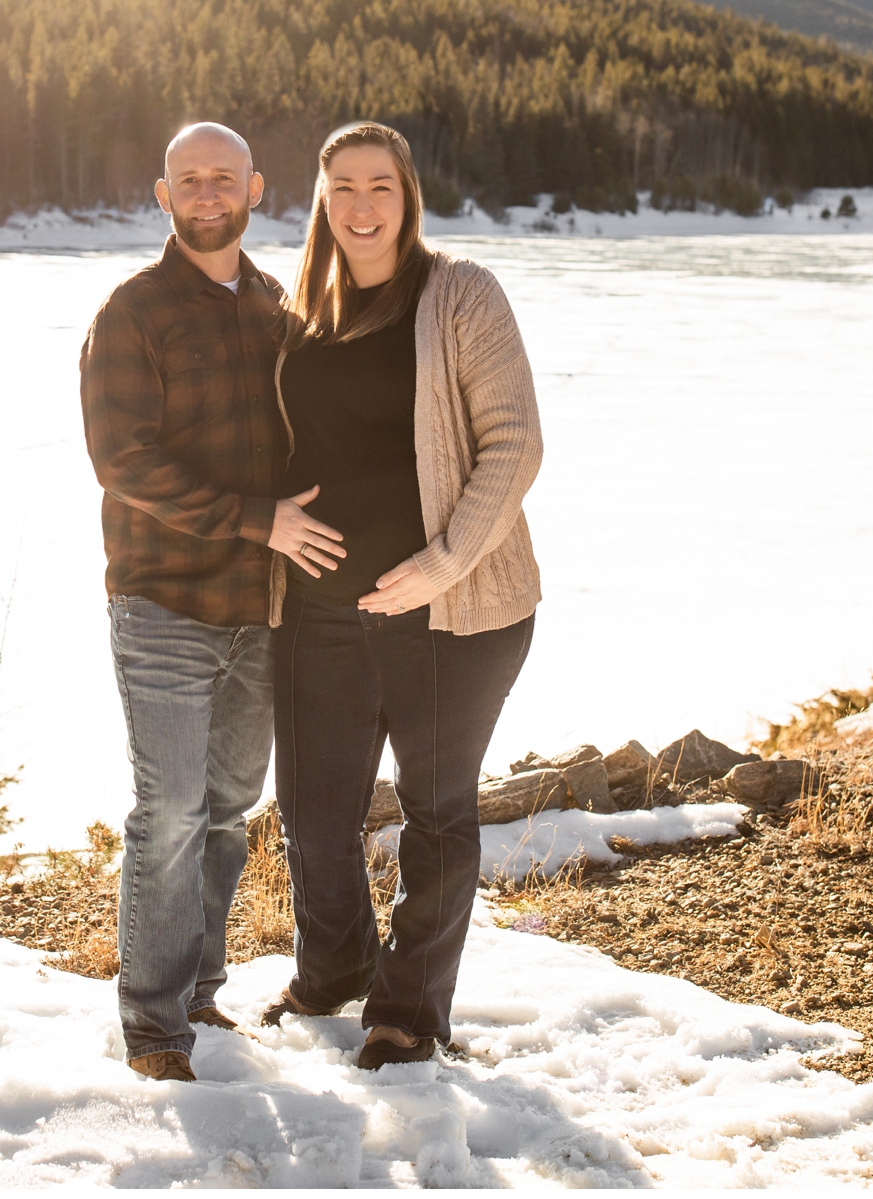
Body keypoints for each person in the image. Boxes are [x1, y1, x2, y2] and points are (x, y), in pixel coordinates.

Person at [263, 120, 542, 1069]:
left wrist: (441, 563)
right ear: (321, 198)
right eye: (341, 186)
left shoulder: (460, 293)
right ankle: (335, 963)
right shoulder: (302, 309)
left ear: (408, 194)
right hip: (318, 610)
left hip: (452, 614)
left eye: (379, 185)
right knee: (311, 808)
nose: (361, 205)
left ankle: (408, 1009)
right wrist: (263, 514)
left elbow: (514, 446)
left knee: (435, 812)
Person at [78, 121, 348, 1083]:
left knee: (230, 809)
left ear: (255, 188)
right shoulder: (134, 311)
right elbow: (123, 460)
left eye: (222, 178)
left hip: (260, 611)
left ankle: (197, 985)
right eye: (189, 180)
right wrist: (254, 518)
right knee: (171, 810)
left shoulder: (278, 304)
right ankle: (152, 1027)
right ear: (163, 194)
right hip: (161, 605)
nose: (206, 194)